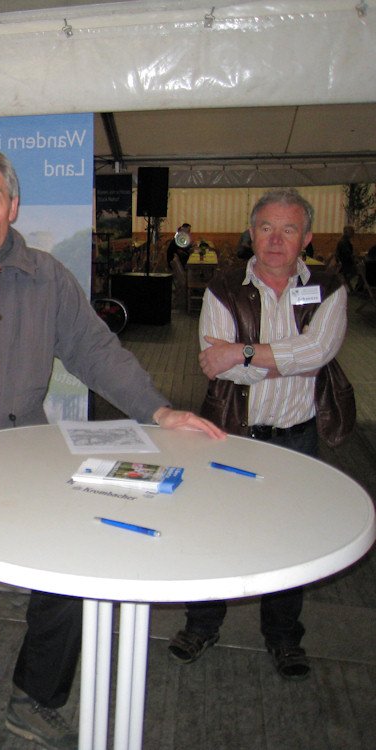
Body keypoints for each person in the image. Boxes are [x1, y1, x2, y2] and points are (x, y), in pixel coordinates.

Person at [0, 147, 225, 749]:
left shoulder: (47, 277)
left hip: (22, 460)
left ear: (13, 205)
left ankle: (35, 698)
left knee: (65, 580)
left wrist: (158, 410)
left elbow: (96, 351)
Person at [168, 187, 352, 682]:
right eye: (266, 228)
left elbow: (319, 352)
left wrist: (244, 351)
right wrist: (284, 359)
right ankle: (201, 625)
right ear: (251, 233)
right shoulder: (223, 287)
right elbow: (219, 365)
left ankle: (284, 636)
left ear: (306, 238)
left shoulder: (330, 287)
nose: (275, 239)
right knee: (214, 532)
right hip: (232, 433)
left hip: (297, 438)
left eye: (288, 229)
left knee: (291, 539)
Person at [335, 225, 359, 292]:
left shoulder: (343, 241)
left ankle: (356, 287)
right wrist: (355, 258)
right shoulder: (344, 242)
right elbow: (348, 255)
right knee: (363, 269)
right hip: (346, 266)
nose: (353, 233)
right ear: (347, 232)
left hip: (344, 264)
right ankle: (358, 287)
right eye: (352, 232)